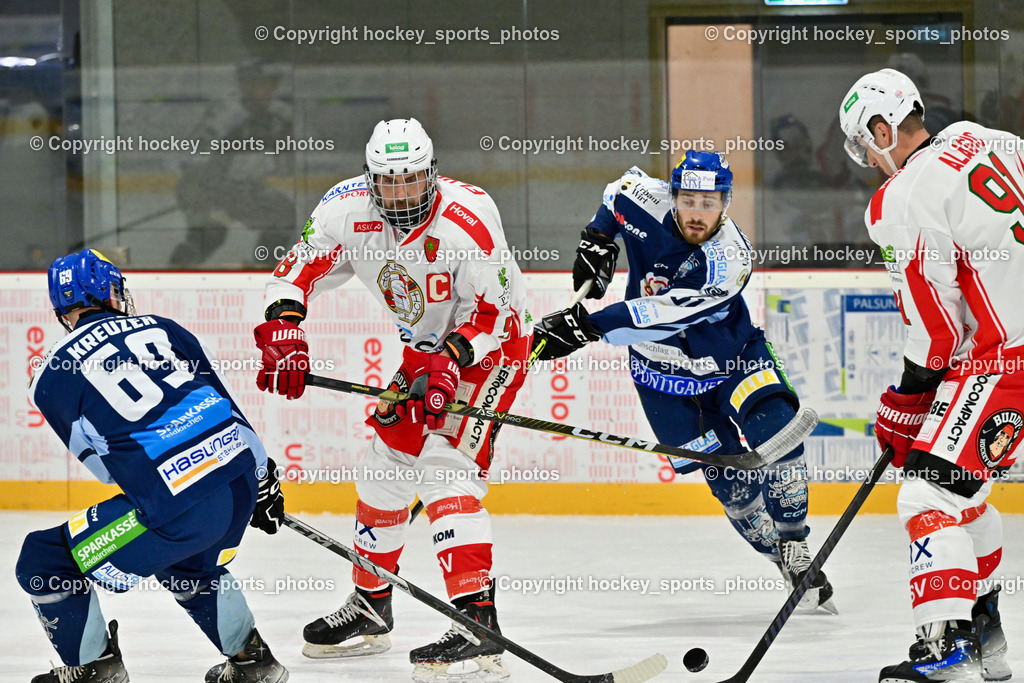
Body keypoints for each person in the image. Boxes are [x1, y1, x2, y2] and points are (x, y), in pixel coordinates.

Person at [254, 118, 531, 682]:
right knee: (382, 471)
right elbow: (293, 274)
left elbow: (495, 316)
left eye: (410, 180)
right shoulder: (343, 211)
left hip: (490, 352)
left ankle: (478, 623)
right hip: (423, 353)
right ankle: (371, 606)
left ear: (431, 173)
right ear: (370, 179)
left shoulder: (468, 219)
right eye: (388, 182)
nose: (400, 194)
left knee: (444, 469)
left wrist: (449, 365)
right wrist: (285, 331)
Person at [531, 151, 836, 613]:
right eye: (688, 200)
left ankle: (796, 542)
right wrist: (596, 239)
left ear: (726, 204)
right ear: (671, 196)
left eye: (709, 203)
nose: (697, 213)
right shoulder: (642, 199)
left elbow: (661, 315)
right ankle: (778, 556)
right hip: (662, 378)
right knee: (732, 488)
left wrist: (589, 327)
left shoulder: (729, 258)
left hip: (733, 359)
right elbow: (616, 194)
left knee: (779, 436)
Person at [18, 249, 288, 683]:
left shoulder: (49, 375)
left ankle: (95, 670)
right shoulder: (164, 328)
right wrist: (262, 482)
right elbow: (230, 415)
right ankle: (253, 663)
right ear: (111, 291)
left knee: (44, 560)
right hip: (238, 485)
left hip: (177, 507)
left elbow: (108, 470)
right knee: (188, 564)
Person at [840, 68, 1020, 683]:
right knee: (965, 489)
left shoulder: (901, 198)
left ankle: (946, 648)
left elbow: (937, 331)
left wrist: (904, 400)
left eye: (864, 143)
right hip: (1003, 355)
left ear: (883, 129)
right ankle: (985, 633)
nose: (867, 159)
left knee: (927, 491)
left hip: (1008, 358)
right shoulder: (987, 139)